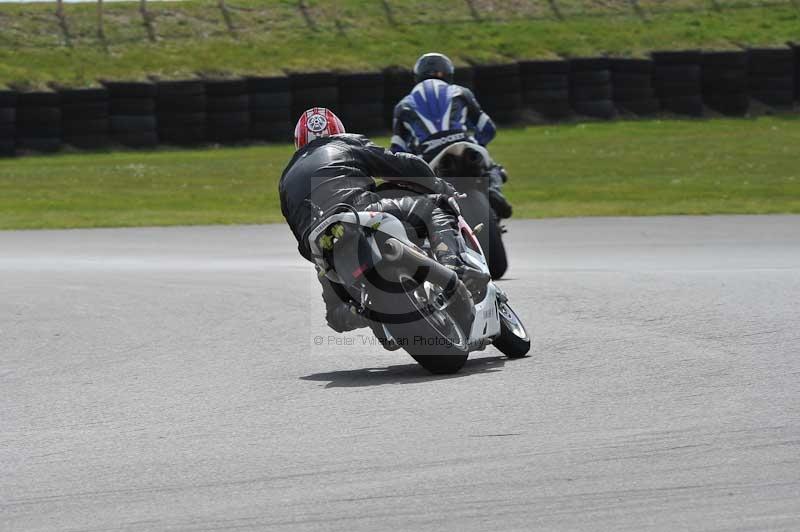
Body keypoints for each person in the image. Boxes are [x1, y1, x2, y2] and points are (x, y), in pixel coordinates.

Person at [280, 107, 488, 334]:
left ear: (298, 142)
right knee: (435, 205)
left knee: (335, 314)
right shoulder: (345, 143)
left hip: (321, 244)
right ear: (338, 130)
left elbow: (296, 230)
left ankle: (360, 313)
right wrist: (439, 184)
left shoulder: (286, 178)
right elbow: (399, 163)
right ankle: (454, 266)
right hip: (358, 212)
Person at [391, 52, 513, 219]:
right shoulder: (460, 92)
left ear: (417, 77)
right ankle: (493, 189)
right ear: (449, 74)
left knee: (416, 192)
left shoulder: (403, 105)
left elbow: (397, 150)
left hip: (429, 156)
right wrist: (478, 144)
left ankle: (428, 222)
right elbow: (488, 129)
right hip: (462, 143)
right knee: (495, 169)